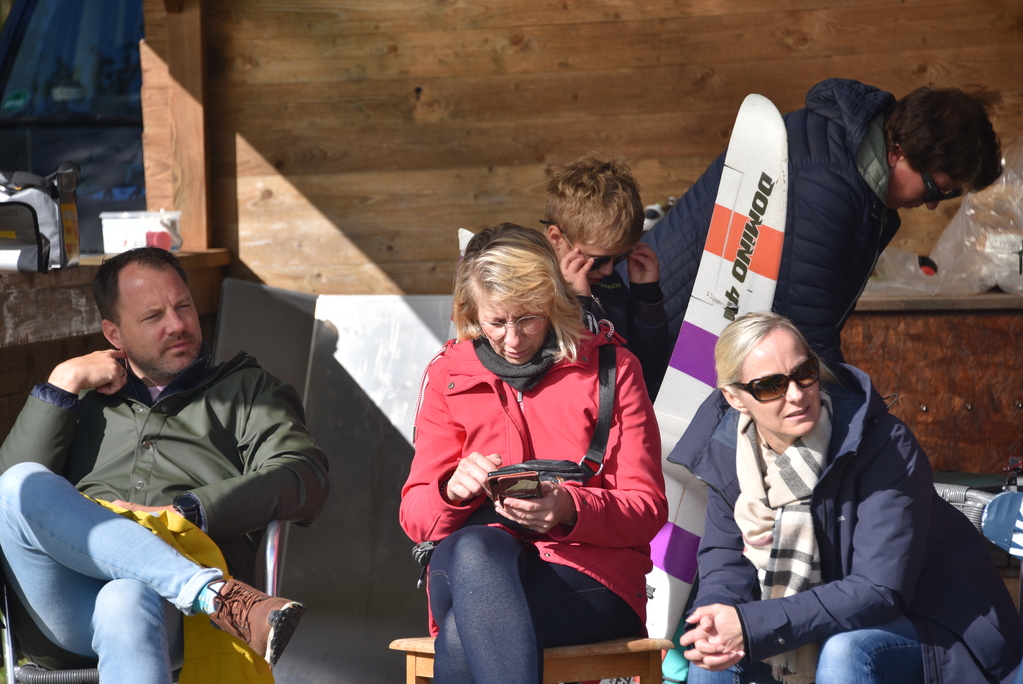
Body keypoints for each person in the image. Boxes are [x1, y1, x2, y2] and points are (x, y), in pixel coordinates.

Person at [0, 247, 331, 684]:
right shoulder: (81, 401)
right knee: (20, 482)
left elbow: (303, 476)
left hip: (178, 618)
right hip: (67, 604)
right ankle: (214, 594)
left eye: (184, 307)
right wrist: (63, 383)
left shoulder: (248, 392)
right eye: (153, 316)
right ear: (114, 334)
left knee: (126, 598)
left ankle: (200, 592)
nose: (177, 325)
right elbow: (11, 503)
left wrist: (190, 511)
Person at [672, 311, 1023, 684]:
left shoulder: (883, 443)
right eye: (771, 386)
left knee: (845, 650)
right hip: (815, 623)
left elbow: (879, 589)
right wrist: (714, 620)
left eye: (804, 372)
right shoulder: (729, 456)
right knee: (712, 655)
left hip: (939, 627)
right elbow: (726, 563)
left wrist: (751, 623)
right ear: (734, 398)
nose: (796, 394)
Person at [400, 223, 668, 684]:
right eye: (496, 322)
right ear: (472, 313)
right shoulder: (447, 376)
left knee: (464, 635)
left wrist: (569, 507)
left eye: (528, 318)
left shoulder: (613, 367)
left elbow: (646, 509)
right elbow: (414, 518)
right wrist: (450, 491)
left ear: (553, 302)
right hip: (469, 565)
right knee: (476, 548)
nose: (513, 339)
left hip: (587, 574)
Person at [644, 79, 1002, 366]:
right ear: (898, 152)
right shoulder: (827, 184)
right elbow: (803, 335)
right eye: (934, 189)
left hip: (689, 338)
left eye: (947, 196)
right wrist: (859, 410)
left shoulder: (852, 168)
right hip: (665, 346)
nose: (931, 205)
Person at [542, 152, 670, 400]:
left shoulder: (608, 281)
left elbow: (650, 369)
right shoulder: (532, 291)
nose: (608, 270)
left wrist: (647, 297)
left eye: (620, 257)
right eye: (597, 260)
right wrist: (576, 304)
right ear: (557, 239)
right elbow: (563, 383)